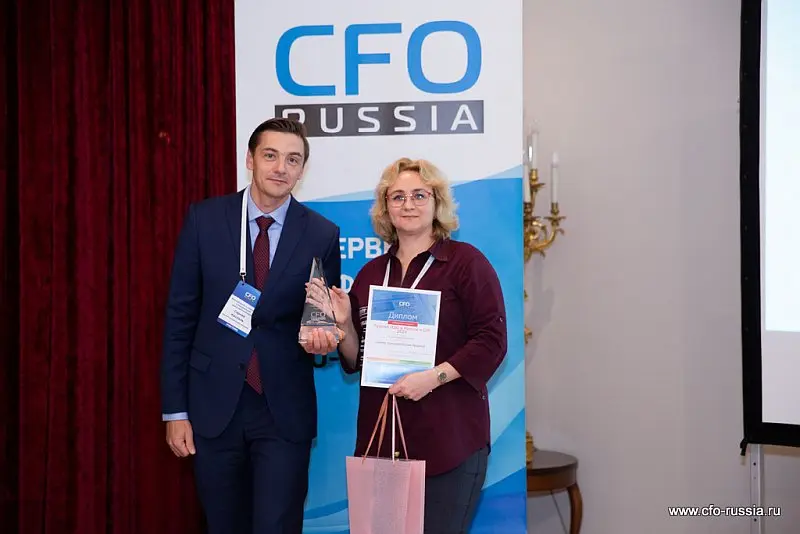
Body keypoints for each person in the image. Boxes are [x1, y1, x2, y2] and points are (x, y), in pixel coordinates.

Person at [305, 157, 508, 533]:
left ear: (436, 202)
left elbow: (491, 341)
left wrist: (433, 377)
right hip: (383, 441)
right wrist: (345, 325)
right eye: (397, 196)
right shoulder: (370, 273)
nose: (408, 204)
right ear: (385, 208)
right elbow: (356, 360)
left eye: (419, 195)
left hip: (449, 441)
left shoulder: (466, 263)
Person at [160, 117, 341, 533]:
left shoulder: (321, 234)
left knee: (277, 525)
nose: (281, 168)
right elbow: (179, 320)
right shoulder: (205, 220)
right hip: (213, 405)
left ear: (302, 169)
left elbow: (320, 318)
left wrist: (323, 338)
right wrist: (176, 411)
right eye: (271, 155)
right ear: (250, 159)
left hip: (282, 409)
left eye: (292, 160)